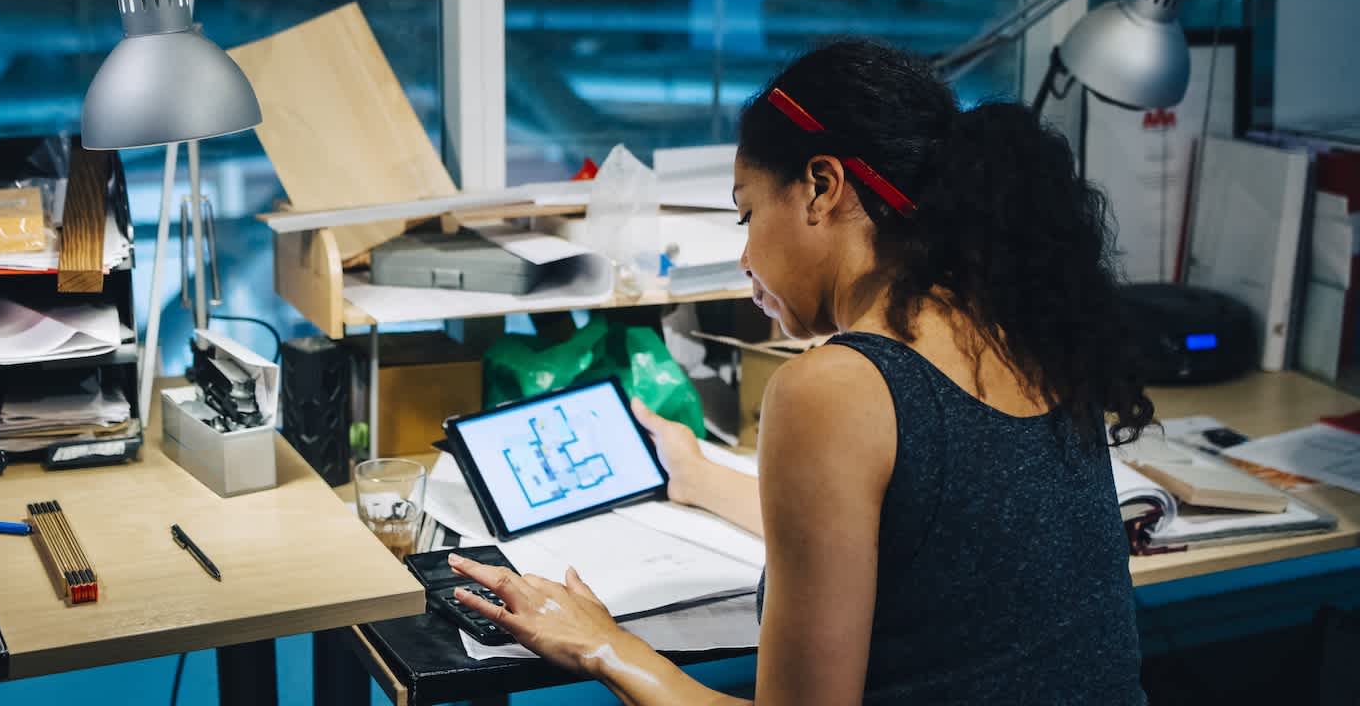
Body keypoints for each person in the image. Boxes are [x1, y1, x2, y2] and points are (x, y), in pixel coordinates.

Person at [447, 38, 1153, 705]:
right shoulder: (1028, 328)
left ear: (821, 186)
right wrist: (697, 477)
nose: (747, 258)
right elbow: (915, 536)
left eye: (746, 213)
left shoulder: (837, 387)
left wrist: (601, 644)